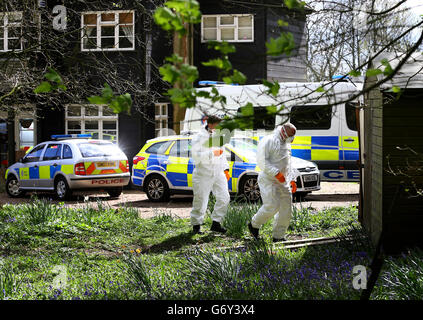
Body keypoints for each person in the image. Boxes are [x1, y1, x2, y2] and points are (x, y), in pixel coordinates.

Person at [248, 123, 298, 242]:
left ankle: (278, 236)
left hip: (283, 180)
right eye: (291, 135)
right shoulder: (268, 140)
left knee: (286, 208)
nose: (292, 138)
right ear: (283, 132)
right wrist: (276, 173)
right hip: (268, 179)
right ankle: (254, 224)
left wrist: (292, 179)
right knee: (272, 206)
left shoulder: (286, 143)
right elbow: (261, 161)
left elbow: (288, 163)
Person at [190, 114, 231, 234]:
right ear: (211, 124)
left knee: (224, 197)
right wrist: (212, 153)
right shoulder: (198, 137)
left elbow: (222, 154)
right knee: (201, 199)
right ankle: (196, 226)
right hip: (203, 173)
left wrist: (226, 169)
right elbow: (196, 156)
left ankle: (216, 223)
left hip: (218, 172)